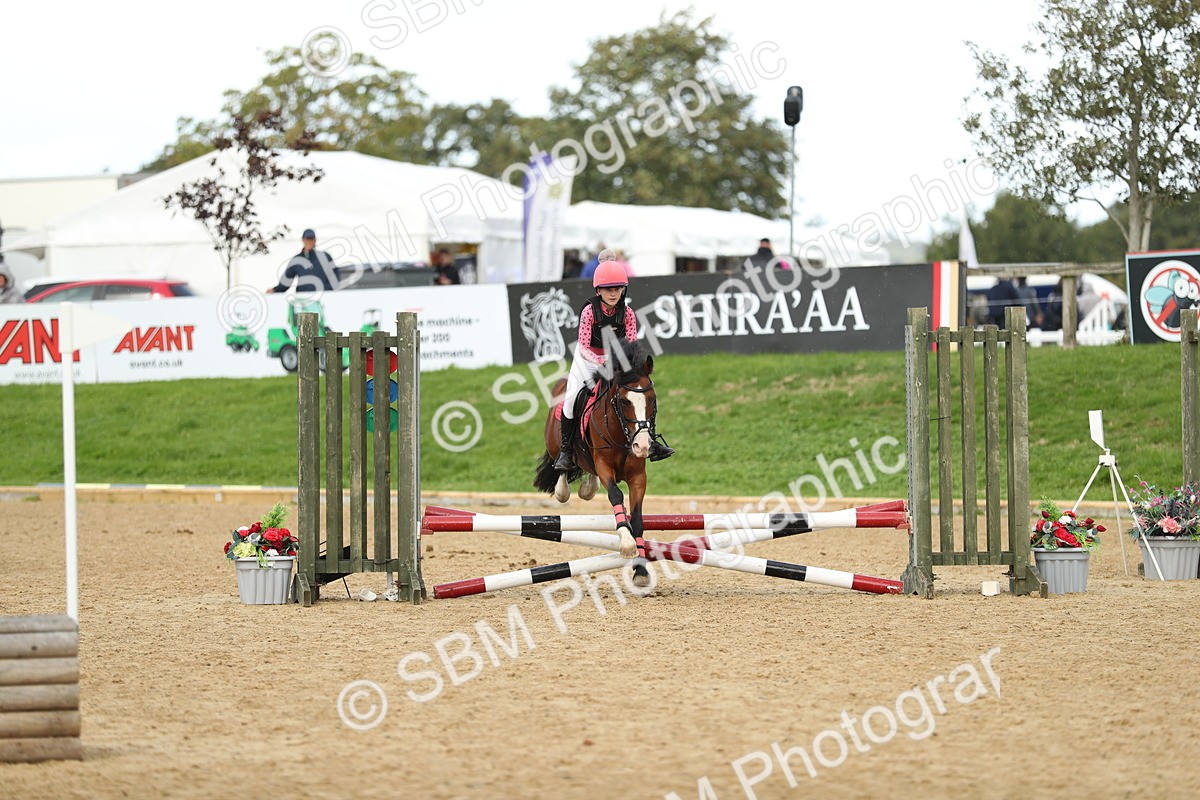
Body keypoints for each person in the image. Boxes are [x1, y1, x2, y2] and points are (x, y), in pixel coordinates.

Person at [554, 257, 674, 470]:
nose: (612, 293)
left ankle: (652, 441)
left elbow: (631, 344)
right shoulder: (589, 311)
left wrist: (626, 366)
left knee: (641, 395)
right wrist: (602, 362)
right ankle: (566, 451)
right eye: (607, 289)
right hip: (586, 360)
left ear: (623, 290)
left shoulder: (627, 313)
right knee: (571, 400)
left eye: (617, 289)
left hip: (614, 362)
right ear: (598, 290)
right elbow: (582, 346)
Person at [267, 229, 337, 293]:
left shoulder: (325, 257)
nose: (309, 241)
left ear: (315, 240)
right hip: (303, 299)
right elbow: (286, 281)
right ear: (303, 240)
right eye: (307, 239)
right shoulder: (296, 260)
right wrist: (275, 290)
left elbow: (335, 277)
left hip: (323, 298)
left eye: (312, 239)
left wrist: (328, 292)